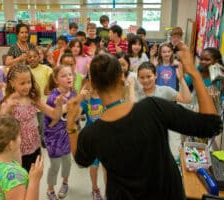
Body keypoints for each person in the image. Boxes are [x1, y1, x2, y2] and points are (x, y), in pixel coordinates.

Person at [66, 44, 222, 200]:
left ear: (92, 83)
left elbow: (81, 160)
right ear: (122, 77)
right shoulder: (153, 108)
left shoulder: (92, 133)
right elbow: (211, 125)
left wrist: (71, 126)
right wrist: (194, 72)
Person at [0, 64, 62, 171]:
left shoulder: (33, 98)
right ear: (12, 83)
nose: (27, 86)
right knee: (22, 182)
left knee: (35, 178)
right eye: (22, 83)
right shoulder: (8, 102)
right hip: (17, 152)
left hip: (35, 147)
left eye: (29, 82)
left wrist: (59, 105)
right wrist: (7, 108)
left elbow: (54, 114)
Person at [0, 114, 44, 200]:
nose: (21, 138)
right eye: (19, 135)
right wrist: (34, 181)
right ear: (10, 144)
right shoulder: (13, 176)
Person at [44, 65, 76, 200]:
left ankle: (65, 183)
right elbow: (52, 120)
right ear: (56, 80)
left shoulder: (73, 94)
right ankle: (50, 190)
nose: (69, 77)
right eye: (64, 75)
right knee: (55, 165)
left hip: (67, 136)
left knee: (67, 162)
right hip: (54, 138)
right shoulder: (52, 98)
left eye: (70, 74)